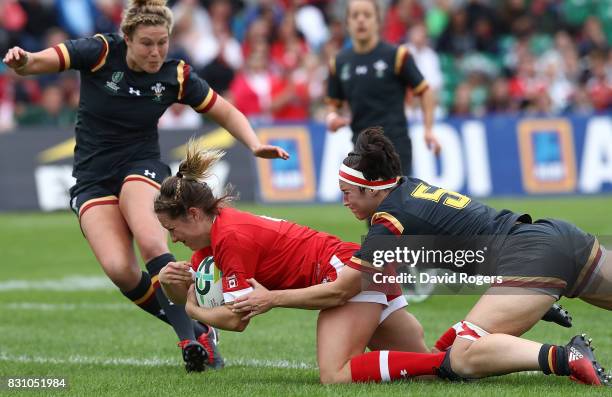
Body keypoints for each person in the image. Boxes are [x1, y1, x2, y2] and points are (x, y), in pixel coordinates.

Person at [2, 0, 288, 373]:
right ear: (127, 38)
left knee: (152, 242)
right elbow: (38, 62)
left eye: (162, 43)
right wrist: (23, 61)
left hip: (141, 166)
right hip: (92, 177)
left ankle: (192, 340)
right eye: (147, 44)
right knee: (120, 269)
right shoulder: (101, 52)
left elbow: (225, 110)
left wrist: (253, 143)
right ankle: (198, 323)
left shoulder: (177, 75)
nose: (155, 52)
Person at [233, 128, 612, 386]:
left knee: (462, 357)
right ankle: (536, 307)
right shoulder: (408, 189)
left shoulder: (389, 222)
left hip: (530, 259)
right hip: (557, 237)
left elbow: (340, 292)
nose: (343, 200)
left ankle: (566, 358)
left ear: (372, 190)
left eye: (349, 192)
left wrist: (272, 298)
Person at [153, 139, 438, 384]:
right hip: (359, 266)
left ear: (193, 214)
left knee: (335, 374)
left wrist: (192, 310)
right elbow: (196, 298)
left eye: (172, 229)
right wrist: (170, 284)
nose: (173, 240)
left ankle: (453, 358)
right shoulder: (213, 238)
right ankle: (461, 355)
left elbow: (236, 319)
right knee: (427, 370)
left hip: (343, 275)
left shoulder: (229, 238)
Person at [325, 0, 440, 177]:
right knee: (367, 205)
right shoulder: (338, 63)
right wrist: (332, 119)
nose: (361, 20)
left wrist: (428, 129)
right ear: (347, 23)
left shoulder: (397, 56)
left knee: (395, 203)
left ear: (378, 21)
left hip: (395, 147)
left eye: (367, 15)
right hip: (360, 148)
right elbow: (333, 105)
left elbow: (425, 91)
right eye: (355, 16)